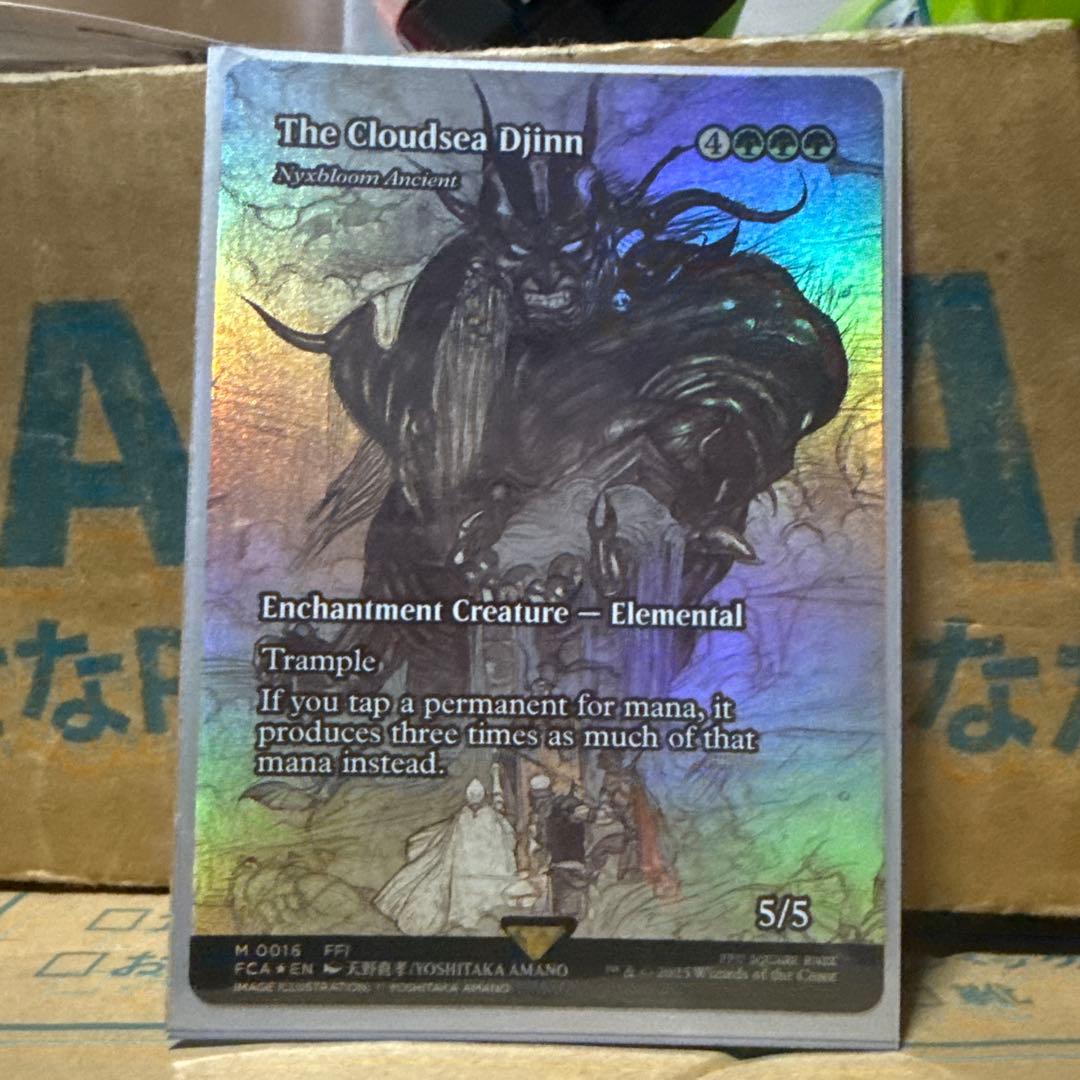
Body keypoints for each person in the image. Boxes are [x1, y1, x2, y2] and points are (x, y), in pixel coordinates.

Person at [374, 777, 519, 934]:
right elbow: (453, 840)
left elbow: (507, 838)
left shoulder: (487, 816)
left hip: (486, 869)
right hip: (465, 869)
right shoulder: (466, 816)